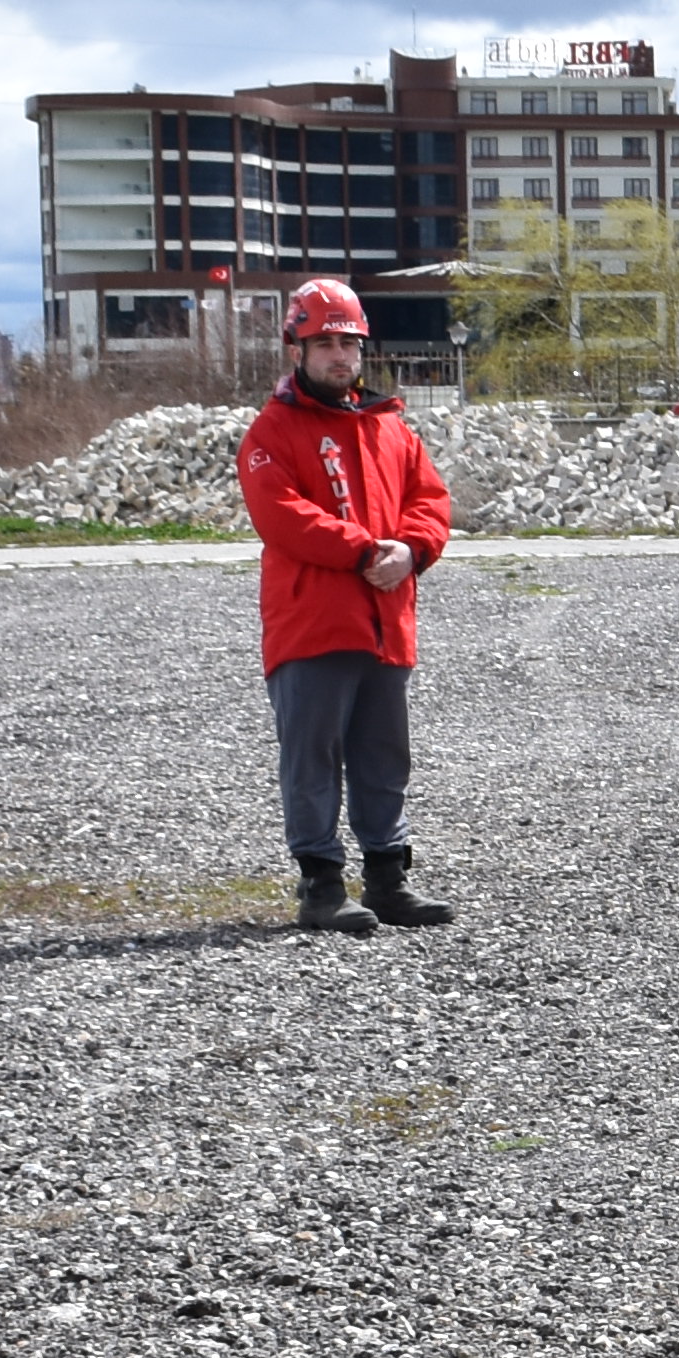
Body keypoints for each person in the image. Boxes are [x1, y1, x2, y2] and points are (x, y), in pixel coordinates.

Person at [239, 276, 457, 936]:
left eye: (349, 343)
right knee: (312, 757)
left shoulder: (390, 429)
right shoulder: (270, 434)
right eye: (325, 342)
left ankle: (388, 880)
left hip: (386, 625)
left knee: (383, 758)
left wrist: (412, 550)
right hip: (312, 627)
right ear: (296, 351)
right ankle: (321, 886)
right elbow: (283, 518)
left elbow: (432, 501)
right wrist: (368, 551)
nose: (339, 355)